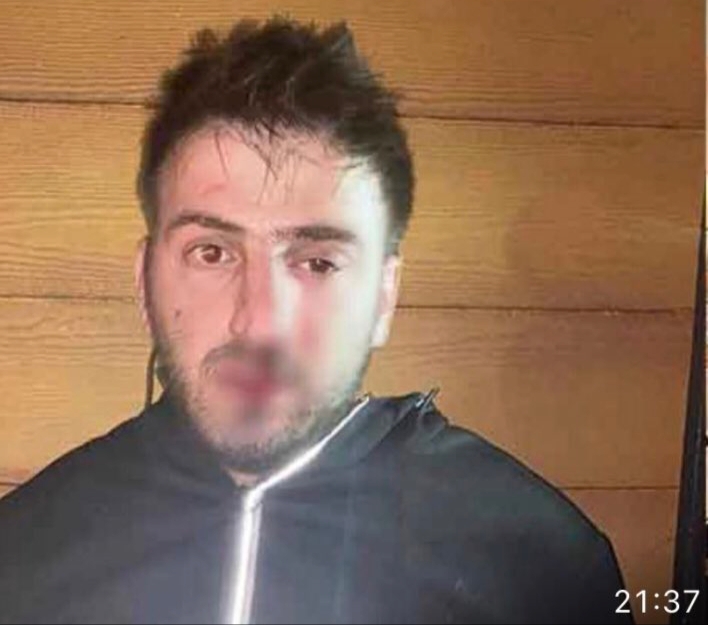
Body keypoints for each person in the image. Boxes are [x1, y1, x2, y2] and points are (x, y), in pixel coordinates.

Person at [0, 17, 633, 625]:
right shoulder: (20, 553)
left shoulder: (544, 567)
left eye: (318, 262)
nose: (259, 323)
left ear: (383, 297)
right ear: (144, 281)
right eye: (212, 253)